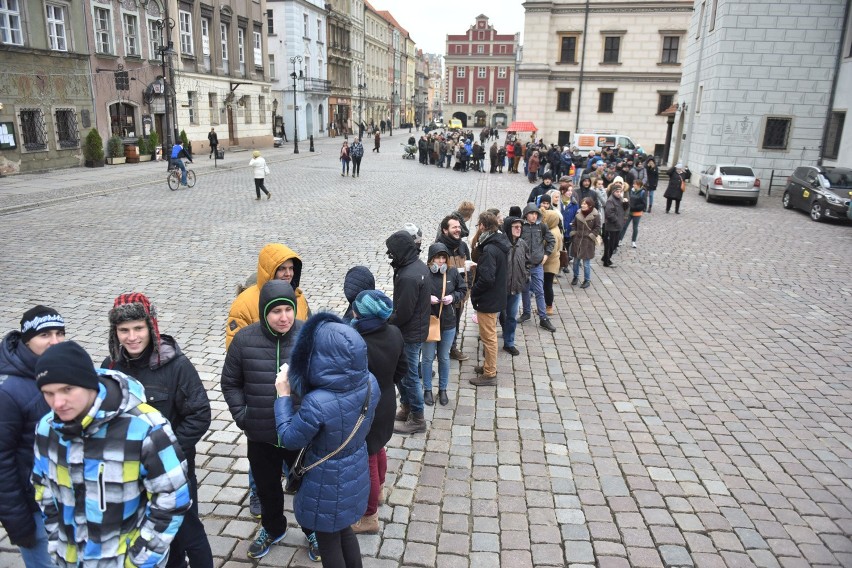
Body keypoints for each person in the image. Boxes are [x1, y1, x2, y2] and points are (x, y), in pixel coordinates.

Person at [32, 341, 191, 568]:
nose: (57, 403)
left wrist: (139, 561)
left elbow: (173, 498)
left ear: (89, 384)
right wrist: (57, 541)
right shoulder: (46, 428)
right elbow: (43, 489)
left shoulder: (145, 427)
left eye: (67, 390)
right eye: (48, 393)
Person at [103, 293, 213, 568]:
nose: (132, 337)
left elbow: (199, 415)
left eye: (138, 328)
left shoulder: (176, 366)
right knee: (153, 537)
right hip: (130, 474)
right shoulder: (110, 368)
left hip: (173, 470)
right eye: (124, 330)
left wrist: (166, 453)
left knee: (189, 534)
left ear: (151, 327)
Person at [221, 280, 319, 560]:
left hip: (300, 432)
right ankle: (273, 527)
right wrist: (243, 417)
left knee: (308, 485)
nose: (284, 317)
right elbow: (230, 383)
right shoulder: (244, 340)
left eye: (288, 310)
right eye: (276, 311)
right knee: (266, 486)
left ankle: (312, 529)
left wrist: (313, 416)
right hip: (261, 433)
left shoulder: (307, 338)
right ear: (264, 312)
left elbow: (323, 379)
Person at [274, 313, 379, 567]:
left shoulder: (317, 403)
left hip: (325, 480)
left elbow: (289, 437)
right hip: (355, 470)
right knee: (343, 530)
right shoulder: (370, 383)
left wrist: (283, 396)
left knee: (328, 540)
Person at [0, 306, 65, 568]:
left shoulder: (60, 368)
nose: (55, 341)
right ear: (27, 340)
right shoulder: (9, 391)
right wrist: (19, 524)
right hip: (35, 511)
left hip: (65, 501)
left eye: (60, 333)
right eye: (45, 335)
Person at [349, 290, 406, 533]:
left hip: (366, 406)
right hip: (386, 401)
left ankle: (369, 516)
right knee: (379, 447)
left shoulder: (357, 340)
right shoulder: (394, 333)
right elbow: (403, 368)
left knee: (367, 460)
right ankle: (380, 489)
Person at [385, 230, 431, 435]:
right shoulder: (416, 267)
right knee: (403, 374)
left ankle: (418, 418)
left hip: (409, 334)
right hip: (416, 330)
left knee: (409, 376)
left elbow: (403, 312)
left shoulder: (408, 276)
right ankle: (406, 408)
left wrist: (386, 322)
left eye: (392, 252)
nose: (390, 256)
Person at [226, 243, 311, 350]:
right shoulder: (244, 303)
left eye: (291, 268)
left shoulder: (299, 298)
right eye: (282, 269)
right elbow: (234, 350)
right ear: (269, 271)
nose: (288, 273)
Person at [421, 243, 467, 406]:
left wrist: (453, 297)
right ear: (431, 259)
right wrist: (426, 298)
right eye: (437, 258)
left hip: (448, 322)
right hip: (430, 321)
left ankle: (443, 389)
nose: (440, 261)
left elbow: (463, 289)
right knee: (427, 358)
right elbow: (416, 293)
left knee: (444, 357)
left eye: (443, 258)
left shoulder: (453, 272)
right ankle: (427, 389)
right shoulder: (424, 273)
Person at [469, 212, 509, 386]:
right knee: (489, 335)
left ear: (483, 226)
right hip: (496, 296)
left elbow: (486, 278)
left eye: (479, 224)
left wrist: (474, 292)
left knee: (489, 337)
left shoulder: (489, 249)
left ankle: (490, 373)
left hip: (488, 299)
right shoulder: (497, 242)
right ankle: (488, 366)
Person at [435, 214, 472, 361]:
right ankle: (439, 348)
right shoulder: (439, 247)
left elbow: (469, 265)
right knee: (441, 322)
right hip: (444, 294)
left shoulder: (463, 246)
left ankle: (452, 347)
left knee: (455, 322)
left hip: (460, 293)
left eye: (458, 227)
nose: (458, 230)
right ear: (445, 230)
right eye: (454, 227)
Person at [519, 203, 557, 333]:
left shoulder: (542, 227)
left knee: (539, 291)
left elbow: (551, 241)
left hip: (537, 265)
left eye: (536, 214)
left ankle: (543, 317)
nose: (534, 216)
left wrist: (546, 255)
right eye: (531, 214)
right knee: (524, 290)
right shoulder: (521, 227)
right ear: (526, 215)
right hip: (523, 265)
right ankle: (526, 312)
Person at [501, 217, 529, 357]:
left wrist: (524, 276)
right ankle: (490, 343)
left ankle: (509, 343)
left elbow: (528, 263)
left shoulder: (522, 244)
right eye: (515, 227)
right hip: (500, 289)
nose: (519, 229)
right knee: (497, 317)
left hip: (516, 287)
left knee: (511, 317)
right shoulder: (501, 244)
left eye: (520, 227)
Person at [541, 210, 564, 317]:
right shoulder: (555, 228)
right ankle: (546, 306)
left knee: (547, 286)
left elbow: (551, 250)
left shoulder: (553, 233)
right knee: (546, 285)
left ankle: (549, 307)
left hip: (549, 263)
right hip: (552, 262)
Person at [602, 182, 627, 267]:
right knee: (610, 245)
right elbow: (609, 214)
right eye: (617, 192)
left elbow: (625, 209)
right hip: (611, 227)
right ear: (613, 192)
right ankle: (607, 261)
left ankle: (605, 258)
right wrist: (617, 221)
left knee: (615, 244)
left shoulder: (620, 199)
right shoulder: (610, 200)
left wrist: (626, 203)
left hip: (617, 226)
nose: (619, 193)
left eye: (620, 192)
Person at [621, 179, 648, 248]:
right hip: (629, 212)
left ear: (638, 185)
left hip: (637, 213)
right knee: (624, 226)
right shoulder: (631, 191)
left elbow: (644, 204)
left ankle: (633, 242)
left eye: (635, 184)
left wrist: (635, 207)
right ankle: (620, 240)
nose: (633, 185)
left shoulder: (643, 192)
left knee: (635, 227)